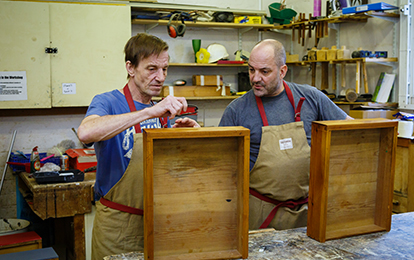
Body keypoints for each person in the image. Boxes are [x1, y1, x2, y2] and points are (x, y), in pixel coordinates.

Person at [77, 33, 200, 260]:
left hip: (158, 219)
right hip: (117, 223)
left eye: (164, 69)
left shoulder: (163, 112)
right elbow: (85, 132)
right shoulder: (108, 101)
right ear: (130, 68)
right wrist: (146, 112)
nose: (160, 77)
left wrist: (184, 137)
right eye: (152, 69)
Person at [219, 39, 352, 230]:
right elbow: (221, 169)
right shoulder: (236, 111)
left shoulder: (311, 98)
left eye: (264, 71)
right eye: (251, 70)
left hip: (308, 212)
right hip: (261, 216)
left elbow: (353, 131)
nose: (255, 78)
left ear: (282, 71)